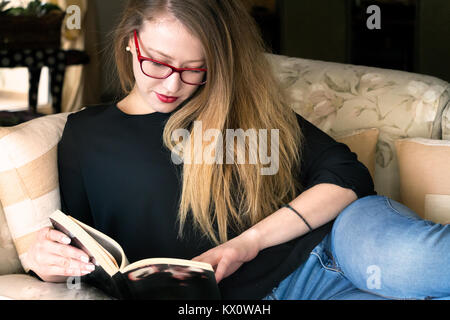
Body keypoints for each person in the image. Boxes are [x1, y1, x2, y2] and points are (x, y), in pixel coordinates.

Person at [25, 0, 450, 300]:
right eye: (156, 61)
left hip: (345, 242)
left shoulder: (238, 107)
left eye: (195, 69)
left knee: (412, 264)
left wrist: (247, 243)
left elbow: (348, 175)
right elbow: (83, 250)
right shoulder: (84, 136)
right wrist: (46, 263)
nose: (172, 85)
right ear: (129, 41)